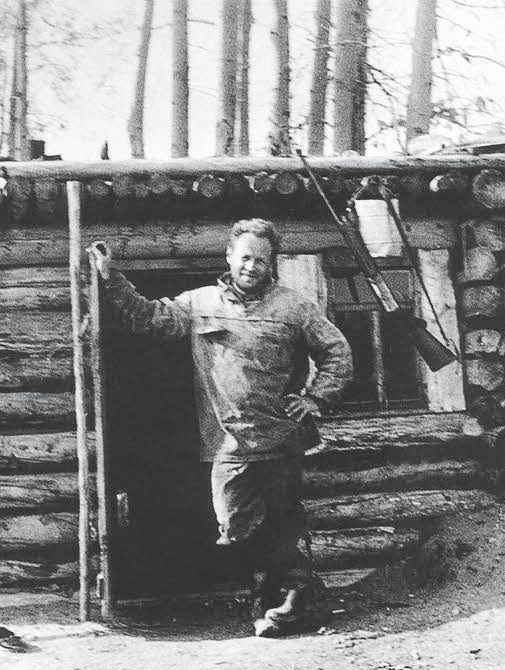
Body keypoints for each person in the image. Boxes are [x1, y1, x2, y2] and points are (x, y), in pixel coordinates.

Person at [90, 218, 352, 637]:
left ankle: (281, 602)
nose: (252, 266)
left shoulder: (294, 308)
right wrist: (111, 277)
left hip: (280, 438)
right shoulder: (200, 303)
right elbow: (148, 318)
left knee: (282, 523)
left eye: (261, 260)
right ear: (229, 256)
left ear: (271, 264)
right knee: (234, 526)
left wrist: (316, 398)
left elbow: (337, 351)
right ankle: (295, 597)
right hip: (228, 442)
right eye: (245, 257)